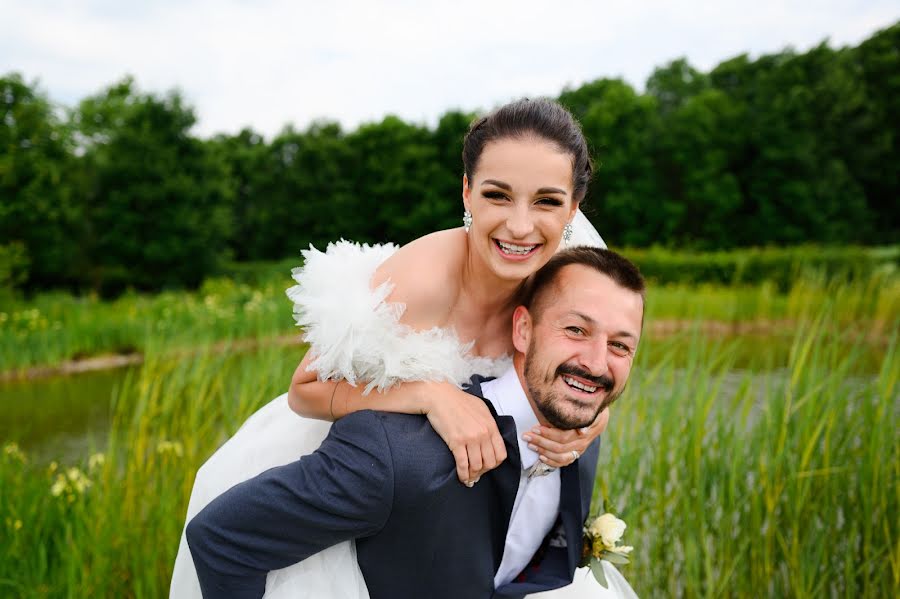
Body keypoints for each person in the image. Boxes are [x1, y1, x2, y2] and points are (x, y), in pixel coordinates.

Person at [170, 98, 613, 597]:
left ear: (573, 207)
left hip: (457, 502)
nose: (519, 225)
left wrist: (590, 422)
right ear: (467, 193)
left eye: (546, 202)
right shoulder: (421, 280)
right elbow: (305, 391)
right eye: (498, 195)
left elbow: (608, 360)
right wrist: (431, 394)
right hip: (359, 449)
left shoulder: (572, 279)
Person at [187, 247, 643, 599]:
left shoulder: (579, 433)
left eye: (621, 346)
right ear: (522, 330)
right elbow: (222, 539)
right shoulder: (396, 453)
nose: (598, 364)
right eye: (576, 330)